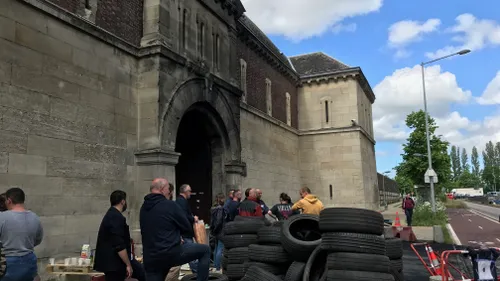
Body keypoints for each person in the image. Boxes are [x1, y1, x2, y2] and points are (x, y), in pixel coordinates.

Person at [140, 178, 210, 281]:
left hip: (150, 257)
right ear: (162, 189)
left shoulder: (143, 208)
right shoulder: (170, 205)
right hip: (170, 252)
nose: (170, 192)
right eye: (168, 189)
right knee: (205, 250)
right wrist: (177, 237)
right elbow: (186, 227)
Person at [94, 190, 145, 281]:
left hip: (113, 263)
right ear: (123, 201)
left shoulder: (111, 215)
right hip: (114, 264)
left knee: (142, 272)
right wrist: (128, 264)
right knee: (142, 273)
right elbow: (119, 244)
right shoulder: (115, 217)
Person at [0, 187, 43, 281]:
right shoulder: (35, 217)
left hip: (7, 263)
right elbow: (38, 240)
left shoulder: (2, 217)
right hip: (29, 259)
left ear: (9, 200)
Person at [176, 184, 199, 273]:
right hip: (185, 233)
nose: (191, 193)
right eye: (189, 191)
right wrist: (193, 218)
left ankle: (197, 272)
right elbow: (183, 216)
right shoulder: (181, 201)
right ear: (185, 192)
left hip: (185, 233)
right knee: (191, 254)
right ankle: (197, 273)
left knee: (190, 254)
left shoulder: (181, 201)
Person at [210, 193, 227, 273]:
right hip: (220, 230)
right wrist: (217, 229)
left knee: (216, 248)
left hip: (215, 231)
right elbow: (219, 221)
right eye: (223, 198)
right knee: (220, 248)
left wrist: (214, 230)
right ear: (221, 199)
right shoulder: (220, 209)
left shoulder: (213, 208)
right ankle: (217, 267)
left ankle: (215, 266)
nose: (225, 200)